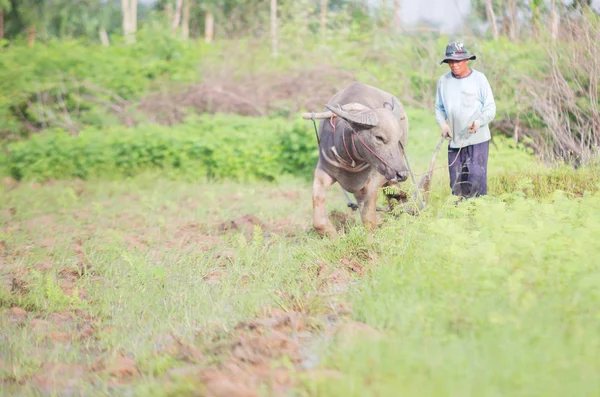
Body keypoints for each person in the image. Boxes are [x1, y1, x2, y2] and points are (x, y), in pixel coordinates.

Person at [435, 41, 496, 199]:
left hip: (477, 140)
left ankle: (478, 216)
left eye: (457, 61)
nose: (454, 65)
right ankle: (460, 217)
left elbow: (490, 107)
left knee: (476, 179)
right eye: (450, 61)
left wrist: (478, 122)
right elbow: (439, 108)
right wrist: (443, 125)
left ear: (466, 60)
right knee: (457, 184)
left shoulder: (479, 79)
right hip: (455, 141)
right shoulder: (444, 81)